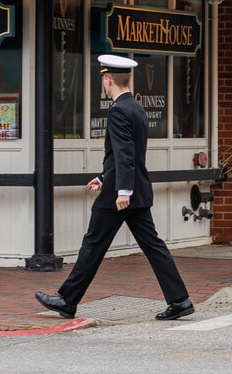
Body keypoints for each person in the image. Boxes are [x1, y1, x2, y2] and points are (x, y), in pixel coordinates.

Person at [35, 54, 194, 321]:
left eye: (104, 81)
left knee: (93, 243)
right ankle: (179, 300)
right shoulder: (137, 107)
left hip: (122, 194)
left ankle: (67, 300)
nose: (104, 85)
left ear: (108, 80)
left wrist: (122, 191)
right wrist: (104, 177)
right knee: (153, 246)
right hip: (135, 190)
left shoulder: (119, 110)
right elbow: (124, 155)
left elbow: (124, 154)